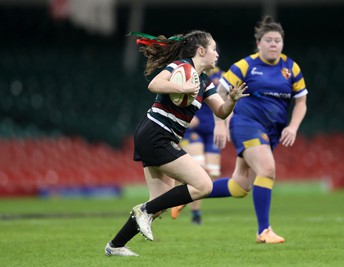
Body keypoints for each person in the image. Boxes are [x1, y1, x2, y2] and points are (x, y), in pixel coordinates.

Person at [105, 30, 248, 256]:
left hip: (161, 136)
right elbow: (154, 84)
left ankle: (115, 246)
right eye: (214, 49)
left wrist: (231, 99)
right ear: (201, 51)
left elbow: (221, 111)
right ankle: (143, 210)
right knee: (204, 185)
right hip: (155, 132)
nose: (217, 54)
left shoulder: (203, 80)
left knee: (159, 205)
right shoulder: (181, 67)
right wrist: (182, 88)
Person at [208, 15, 308, 244]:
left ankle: (191, 191)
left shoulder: (291, 68)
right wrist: (220, 124)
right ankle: (264, 231)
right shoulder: (245, 66)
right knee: (268, 170)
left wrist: (293, 127)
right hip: (246, 124)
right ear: (259, 43)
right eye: (269, 40)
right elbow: (218, 94)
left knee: (240, 185)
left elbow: (301, 102)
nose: (274, 44)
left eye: (278, 40)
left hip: (271, 132)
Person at [170, 67, 225, 224]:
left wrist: (226, 123)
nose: (215, 55)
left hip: (212, 130)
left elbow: (226, 101)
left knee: (212, 174)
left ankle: (181, 200)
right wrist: (184, 112)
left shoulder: (223, 76)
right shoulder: (189, 73)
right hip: (192, 128)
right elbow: (175, 96)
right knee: (198, 169)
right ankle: (196, 214)